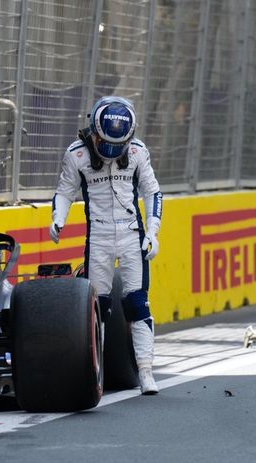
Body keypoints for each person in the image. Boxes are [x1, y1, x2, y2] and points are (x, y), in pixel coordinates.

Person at [49, 96, 163, 395]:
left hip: (131, 233)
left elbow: (152, 192)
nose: (111, 152)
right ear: (94, 132)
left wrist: (152, 231)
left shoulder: (138, 151)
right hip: (97, 235)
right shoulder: (76, 154)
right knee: (98, 306)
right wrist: (58, 219)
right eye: (106, 144)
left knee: (138, 303)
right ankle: (94, 373)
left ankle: (146, 371)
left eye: (118, 145)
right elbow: (64, 191)